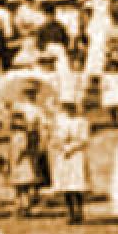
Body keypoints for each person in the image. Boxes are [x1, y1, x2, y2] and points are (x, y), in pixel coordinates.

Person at [51, 94, 91, 225]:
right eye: (66, 107)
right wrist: (60, 144)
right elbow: (56, 137)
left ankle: (79, 212)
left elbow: (84, 140)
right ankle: (71, 212)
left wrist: (72, 147)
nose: (68, 109)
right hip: (64, 154)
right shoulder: (61, 121)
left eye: (71, 106)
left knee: (77, 186)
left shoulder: (82, 121)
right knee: (66, 186)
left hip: (76, 155)